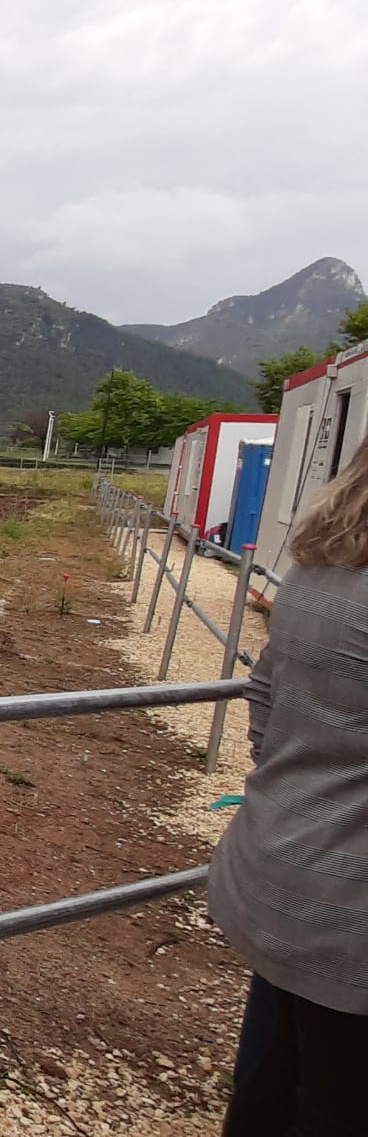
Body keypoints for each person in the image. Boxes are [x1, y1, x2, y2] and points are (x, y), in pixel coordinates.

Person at [210, 442, 368, 1137]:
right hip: (350, 915)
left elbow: (264, 692)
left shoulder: (318, 566)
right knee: (339, 1102)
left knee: (272, 1073)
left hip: (277, 867)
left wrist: (294, 795)